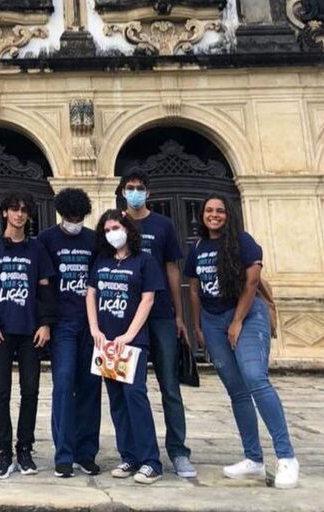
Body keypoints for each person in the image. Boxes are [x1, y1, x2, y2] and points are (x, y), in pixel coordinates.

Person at [185, 194, 299, 490]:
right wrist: (197, 326)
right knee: (236, 389)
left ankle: (286, 456)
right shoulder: (198, 247)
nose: (214, 215)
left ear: (229, 215)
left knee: (255, 378)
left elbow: (251, 283)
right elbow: (194, 290)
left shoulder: (243, 242)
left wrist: (237, 321)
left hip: (247, 316)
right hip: (212, 320)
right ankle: (253, 458)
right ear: (202, 214)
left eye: (220, 210)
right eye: (209, 210)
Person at [0, 190, 55, 480]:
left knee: (30, 391)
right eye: (14, 209)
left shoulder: (37, 250)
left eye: (24, 210)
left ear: (29, 215)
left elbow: (45, 290)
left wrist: (45, 324)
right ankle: (3, 450)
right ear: (5, 212)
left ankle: (25, 448)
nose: (19, 214)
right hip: (0, 332)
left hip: (30, 332)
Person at [120, 168, 196, 479]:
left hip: (162, 314)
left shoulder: (162, 225)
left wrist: (179, 315)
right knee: (129, 388)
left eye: (139, 187)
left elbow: (173, 270)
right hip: (125, 318)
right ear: (123, 191)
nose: (135, 192)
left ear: (148, 193)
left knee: (169, 385)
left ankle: (178, 450)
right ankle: (135, 451)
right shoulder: (116, 223)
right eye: (130, 187)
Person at [86, 209, 165, 485]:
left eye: (115, 228)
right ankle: (129, 456)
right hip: (106, 343)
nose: (112, 234)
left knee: (135, 397)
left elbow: (148, 300)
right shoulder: (102, 260)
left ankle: (151, 461)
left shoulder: (144, 261)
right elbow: (91, 293)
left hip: (131, 342)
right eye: (106, 230)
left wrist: (130, 333)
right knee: (117, 401)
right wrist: (95, 329)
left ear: (128, 229)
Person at [38, 188, 101, 479]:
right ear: (61, 213)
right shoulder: (47, 239)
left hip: (91, 324)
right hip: (62, 322)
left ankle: (86, 453)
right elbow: (43, 283)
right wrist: (45, 322)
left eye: (77, 217)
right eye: (68, 216)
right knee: (63, 383)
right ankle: (64, 454)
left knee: (90, 387)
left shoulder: (93, 240)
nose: (73, 221)